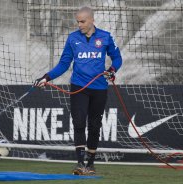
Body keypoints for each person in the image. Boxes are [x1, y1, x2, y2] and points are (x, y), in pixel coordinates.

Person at [34, 7, 122, 175]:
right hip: (78, 87)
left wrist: (112, 69)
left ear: (91, 20)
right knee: (79, 123)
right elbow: (64, 64)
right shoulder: (73, 38)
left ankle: (90, 164)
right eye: (78, 21)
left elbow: (117, 58)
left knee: (95, 125)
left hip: (99, 88)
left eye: (82, 21)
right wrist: (46, 77)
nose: (79, 25)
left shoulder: (105, 36)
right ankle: (80, 164)